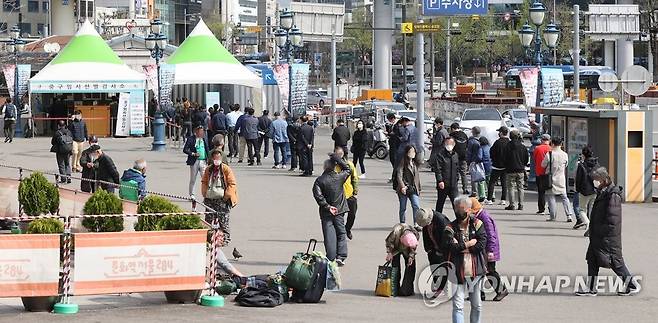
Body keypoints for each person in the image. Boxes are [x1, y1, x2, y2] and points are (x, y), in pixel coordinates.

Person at [576, 167, 638, 296]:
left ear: (604, 179)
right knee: (592, 259)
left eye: (596, 180)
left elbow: (613, 220)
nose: (595, 182)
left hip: (607, 237)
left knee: (615, 262)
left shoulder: (612, 195)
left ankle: (632, 284)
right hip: (597, 235)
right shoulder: (602, 192)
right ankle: (591, 288)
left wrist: (601, 231)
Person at [443, 196, 487, 323]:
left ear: (469, 210)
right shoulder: (450, 228)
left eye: (461, 209)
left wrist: (461, 247)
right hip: (456, 271)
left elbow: (481, 244)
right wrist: (468, 244)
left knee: (477, 305)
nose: (459, 212)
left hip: (475, 271)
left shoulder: (477, 224)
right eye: (457, 209)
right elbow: (450, 246)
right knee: (458, 306)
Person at [312, 153, 352, 265]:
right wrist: (337, 158)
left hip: (326, 211)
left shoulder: (320, 180)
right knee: (341, 232)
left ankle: (330, 256)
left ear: (324, 167)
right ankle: (341, 256)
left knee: (329, 233)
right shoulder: (339, 177)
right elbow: (348, 169)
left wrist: (327, 206)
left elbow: (318, 196)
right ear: (334, 167)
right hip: (339, 209)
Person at [471, 198, 508, 301]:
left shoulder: (484, 217)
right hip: (482, 248)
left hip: (488, 250)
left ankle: (501, 290)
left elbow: (491, 235)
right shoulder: (478, 216)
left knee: (490, 271)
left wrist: (490, 251)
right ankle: (479, 294)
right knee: (479, 271)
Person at [201, 149, 239, 246]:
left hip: (222, 199)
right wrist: (204, 193)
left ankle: (225, 240)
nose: (216, 160)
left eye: (218, 158)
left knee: (224, 221)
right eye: (214, 158)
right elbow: (204, 182)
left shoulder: (226, 169)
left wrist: (226, 196)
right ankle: (209, 239)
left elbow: (232, 183)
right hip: (210, 198)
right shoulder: (209, 169)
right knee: (208, 221)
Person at [416, 208, 451, 298]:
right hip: (433, 248)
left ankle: (443, 289)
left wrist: (442, 251)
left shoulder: (441, 220)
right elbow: (426, 235)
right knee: (433, 267)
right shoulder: (425, 219)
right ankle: (437, 286)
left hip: (444, 248)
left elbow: (447, 237)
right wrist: (429, 250)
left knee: (443, 268)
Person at [541, 137, 575, 222]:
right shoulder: (565, 154)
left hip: (551, 180)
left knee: (551, 197)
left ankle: (553, 216)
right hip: (561, 178)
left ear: (552, 144)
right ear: (561, 144)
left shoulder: (550, 154)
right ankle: (569, 215)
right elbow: (566, 165)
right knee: (564, 197)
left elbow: (543, 165)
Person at [385, 223, 419, 296]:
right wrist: (389, 253)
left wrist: (411, 256)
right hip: (396, 248)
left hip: (408, 250)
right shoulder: (396, 231)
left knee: (411, 266)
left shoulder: (415, 234)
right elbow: (389, 242)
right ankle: (394, 288)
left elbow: (413, 247)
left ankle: (407, 289)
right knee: (395, 267)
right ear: (401, 238)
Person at [334, 146, 359, 240]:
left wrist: (355, 192)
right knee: (339, 216)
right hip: (337, 196)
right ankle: (340, 234)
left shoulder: (349, 164)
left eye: (340, 154)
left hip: (349, 194)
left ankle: (347, 229)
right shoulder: (332, 166)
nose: (339, 156)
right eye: (337, 154)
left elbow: (355, 178)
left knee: (352, 214)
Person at [395, 145, 421, 229]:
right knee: (403, 207)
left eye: (413, 152)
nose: (412, 154)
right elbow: (399, 175)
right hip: (404, 188)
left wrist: (418, 189)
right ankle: (402, 223)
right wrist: (402, 186)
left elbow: (417, 178)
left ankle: (416, 223)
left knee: (416, 205)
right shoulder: (402, 162)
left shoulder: (415, 163)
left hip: (413, 188)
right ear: (406, 153)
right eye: (410, 152)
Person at [574, 146, 599, 231]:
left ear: (583, 154)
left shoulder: (581, 165)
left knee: (582, 210)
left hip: (584, 190)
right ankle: (592, 225)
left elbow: (578, 179)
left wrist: (577, 189)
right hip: (595, 190)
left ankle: (587, 223)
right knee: (592, 209)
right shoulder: (596, 163)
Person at [432, 137, 459, 214]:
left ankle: (459, 223)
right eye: (447, 143)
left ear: (454, 145)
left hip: (453, 185)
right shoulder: (440, 155)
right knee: (440, 204)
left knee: (456, 204)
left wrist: (457, 178)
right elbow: (438, 169)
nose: (448, 145)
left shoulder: (455, 155)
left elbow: (457, 168)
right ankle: (437, 221)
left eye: (450, 144)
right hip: (443, 184)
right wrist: (440, 180)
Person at [503, 129, 528, 211]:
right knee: (520, 187)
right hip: (520, 170)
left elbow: (504, 158)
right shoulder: (523, 146)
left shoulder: (507, 146)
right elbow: (526, 159)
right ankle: (521, 204)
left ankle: (512, 204)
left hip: (510, 170)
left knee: (511, 187)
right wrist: (522, 165)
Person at [184, 126, 210, 199]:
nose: (201, 133)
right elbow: (185, 149)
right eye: (200, 132)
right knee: (193, 178)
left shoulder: (204, 139)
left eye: (202, 132)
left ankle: (206, 193)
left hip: (203, 161)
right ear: (196, 132)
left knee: (205, 178)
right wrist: (193, 154)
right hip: (194, 161)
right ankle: (192, 194)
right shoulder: (191, 139)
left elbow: (207, 148)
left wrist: (209, 158)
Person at [487, 127, 509, 206]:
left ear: (501, 133)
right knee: (504, 183)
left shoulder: (497, 142)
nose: (498, 133)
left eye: (499, 132)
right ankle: (503, 199)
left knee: (492, 182)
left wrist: (493, 159)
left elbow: (492, 152)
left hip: (496, 165)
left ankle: (489, 199)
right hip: (506, 166)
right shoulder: (508, 142)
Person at [533, 134, 552, 215]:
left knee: (541, 192)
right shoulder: (551, 149)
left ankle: (541, 209)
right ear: (549, 140)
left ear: (541, 140)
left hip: (539, 173)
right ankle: (551, 209)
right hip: (549, 173)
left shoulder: (537, 148)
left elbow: (534, 159)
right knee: (550, 192)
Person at [450, 123, 469, 195]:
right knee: (463, 174)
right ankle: (465, 188)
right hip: (464, 157)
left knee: (455, 173)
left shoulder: (452, 136)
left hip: (454, 157)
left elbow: (450, 146)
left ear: (452, 129)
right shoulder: (464, 135)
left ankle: (455, 188)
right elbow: (467, 145)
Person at [466, 126, 483, 198]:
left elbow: (469, 152)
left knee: (474, 177)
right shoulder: (482, 140)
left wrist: (468, 161)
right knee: (481, 176)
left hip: (473, 160)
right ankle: (482, 193)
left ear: (473, 132)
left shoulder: (471, 141)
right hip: (481, 160)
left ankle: (474, 192)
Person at [478, 137, 492, 203]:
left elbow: (479, 157)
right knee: (490, 181)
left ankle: (482, 196)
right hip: (490, 165)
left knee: (481, 181)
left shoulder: (481, 148)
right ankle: (492, 195)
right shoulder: (489, 147)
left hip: (483, 166)